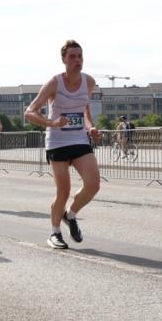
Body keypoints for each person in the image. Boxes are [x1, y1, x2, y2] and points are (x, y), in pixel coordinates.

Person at [25, 39, 102, 249]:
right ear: (64, 60)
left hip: (78, 139)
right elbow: (29, 112)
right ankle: (54, 232)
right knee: (63, 192)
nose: (77, 60)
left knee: (93, 184)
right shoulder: (54, 83)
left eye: (80, 56)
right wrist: (51, 122)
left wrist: (90, 127)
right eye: (72, 57)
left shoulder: (89, 82)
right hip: (57, 142)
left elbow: (84, 107)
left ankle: (71, 214)